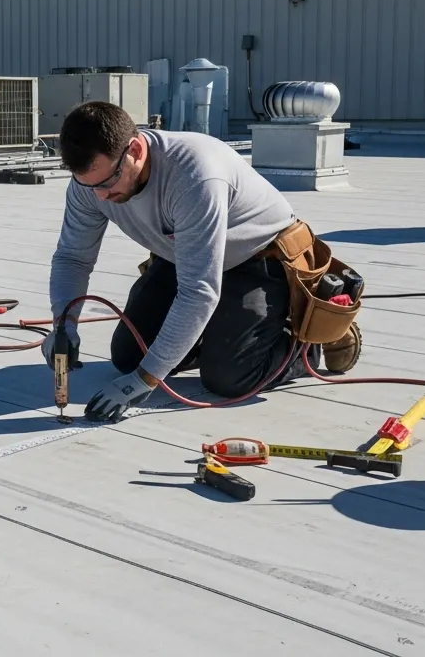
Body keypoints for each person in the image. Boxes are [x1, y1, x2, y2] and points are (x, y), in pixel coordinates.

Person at [41, 101, 362, 422]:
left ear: (136, 150)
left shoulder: (194, 175)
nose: (100, 196)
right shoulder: (92, 181)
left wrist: (144, 380)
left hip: (257, 257)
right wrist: (63, 326)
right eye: (88, 184)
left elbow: (198, 291)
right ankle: (218, 337)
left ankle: (308, 346)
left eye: (108, 182)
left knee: (228, 378)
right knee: (129, 356)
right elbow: (73, 257)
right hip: (185, 255)